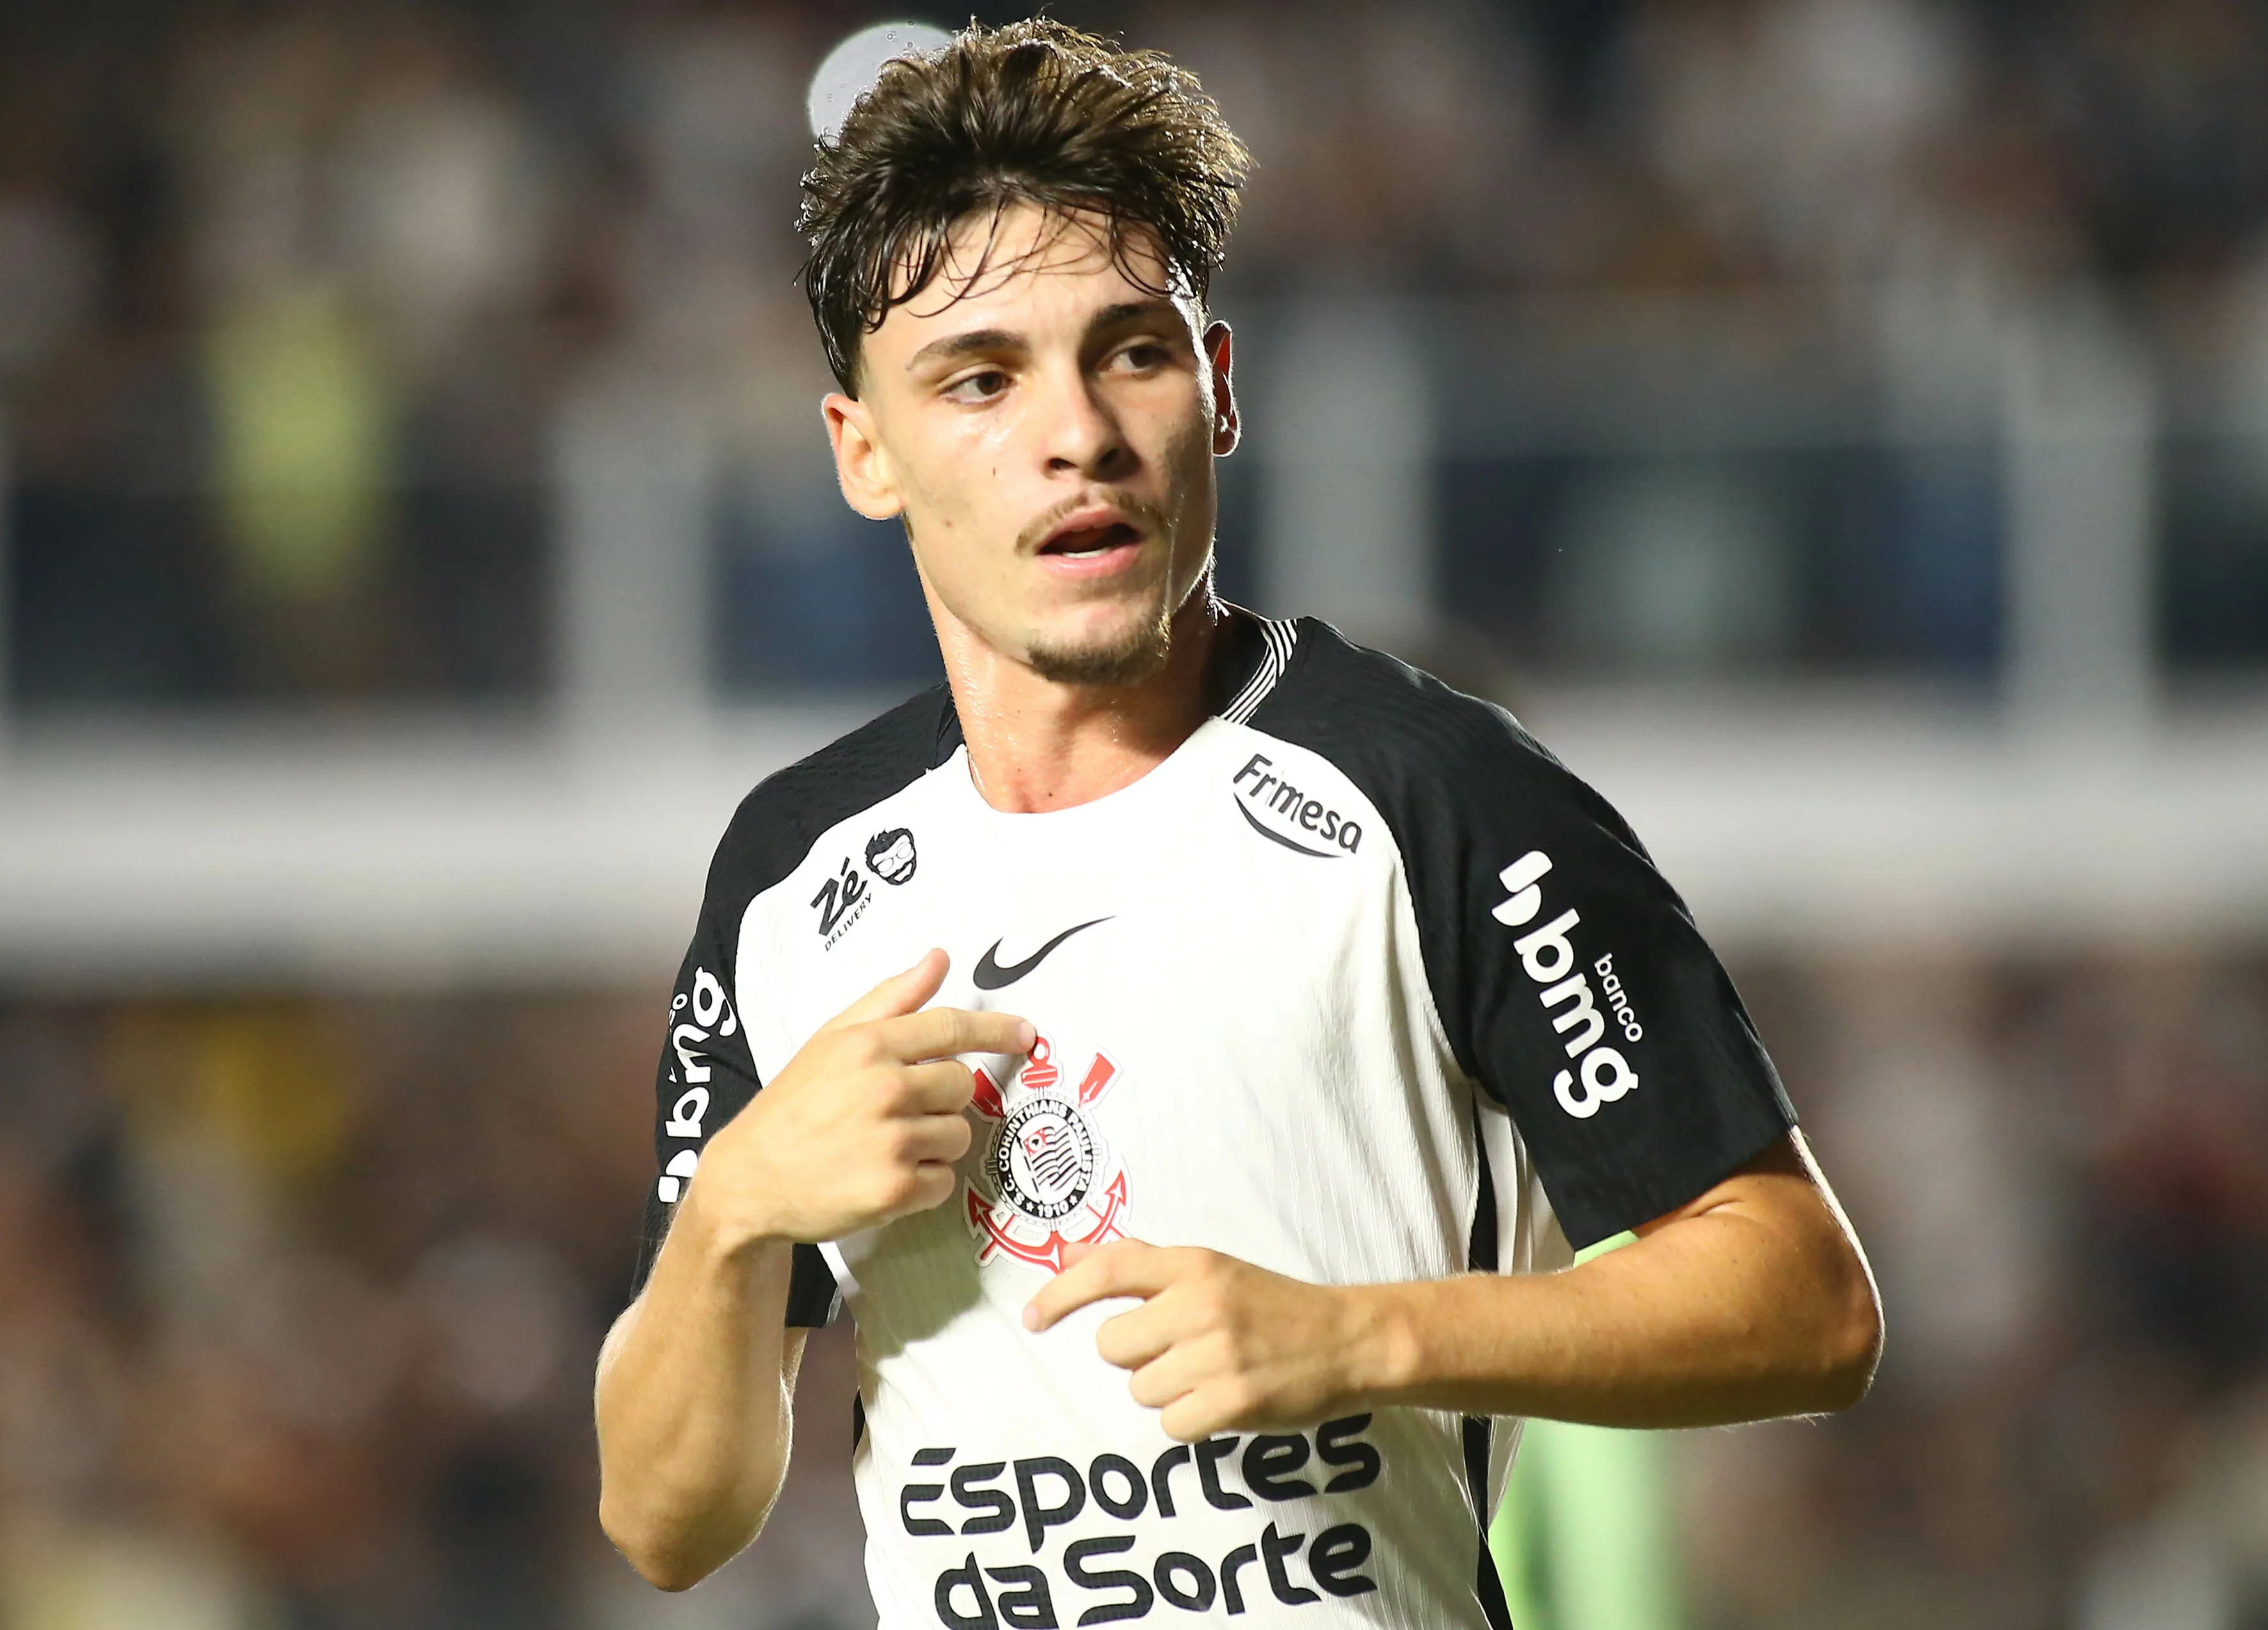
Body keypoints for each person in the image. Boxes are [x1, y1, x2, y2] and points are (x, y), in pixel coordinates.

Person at [593, 20, 1881, 1629]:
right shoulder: (791, 875)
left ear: (1216, 391)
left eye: (1129, 350)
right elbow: (665, 1516)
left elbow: (1807, 1297)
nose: (1077, 433)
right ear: (865, 451)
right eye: (980, 379)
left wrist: (1360, 1337)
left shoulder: (1436, 796)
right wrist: (731, 1215)